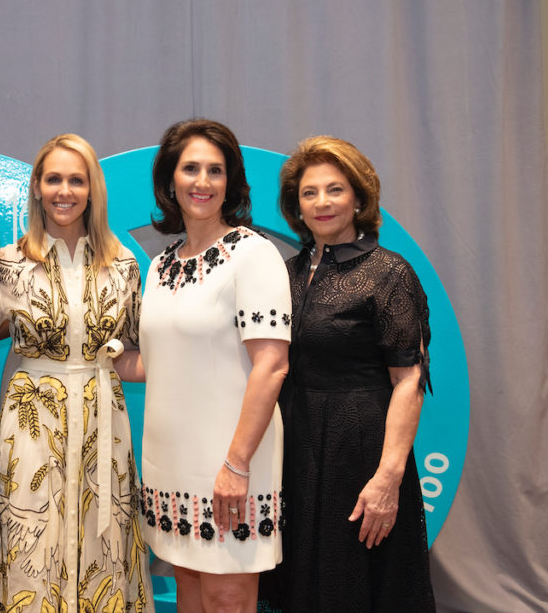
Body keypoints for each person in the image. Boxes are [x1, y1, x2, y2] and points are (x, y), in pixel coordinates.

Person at [0, 134, 153, 613]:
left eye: (77, 179)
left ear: (93, 189)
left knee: (104, 542)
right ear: (35, 186)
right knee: (28, 543)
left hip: (102, 424)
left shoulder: (124, 266)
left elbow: (141, 343)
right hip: (31, 424)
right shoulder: (8, 265)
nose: (65, 191)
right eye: (54, 179)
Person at [115, 119, 291, 613]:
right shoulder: (161, 264)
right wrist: (94, 355)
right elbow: (158, 363)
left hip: (231, 463)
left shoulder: (253, 255)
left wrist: (236, 465)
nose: (202, 181)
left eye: (215, 170)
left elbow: (272, 367)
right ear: (170, 180)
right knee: (191, 592)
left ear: (230, 183)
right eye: (190, 168)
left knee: (227, 597)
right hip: (169, 464)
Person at [275, 135, 435, 611]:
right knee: (297, 581)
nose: (322, 202)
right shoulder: (284, 272)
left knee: (356, 583)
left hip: (361, 452)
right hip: (295, 447)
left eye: (335, 189)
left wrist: (388, 478)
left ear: (359, 198)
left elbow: (408, 382)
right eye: (309, 192)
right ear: (296, 206)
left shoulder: (390, 273)